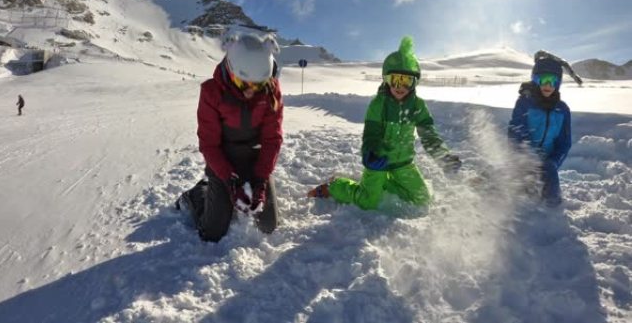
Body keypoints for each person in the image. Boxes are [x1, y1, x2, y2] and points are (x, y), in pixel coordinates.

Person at [309, 36, 461, 210]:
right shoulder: (378, 104)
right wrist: (371, 152)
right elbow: (371, 134)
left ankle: (384, 183)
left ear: (414, 83)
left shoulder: (418, 106)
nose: (400, 86)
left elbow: (429, 136)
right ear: (386, 79)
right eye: (395, 79)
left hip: (403, 163)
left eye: (406, 81)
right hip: (379, 160)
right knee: (367, 201)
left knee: (422, 199)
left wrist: (444, 158)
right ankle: (335, 186)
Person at [178, 33, 283, 242]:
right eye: (244, 84)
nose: (251, 92)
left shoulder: (271, 92)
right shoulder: (212, 92)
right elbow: (209, 145)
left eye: (258, 85)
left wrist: (260, 181)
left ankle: (248, 185)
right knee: (212, 232)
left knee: (268, 224)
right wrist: (229, 180)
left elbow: (272, 139)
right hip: (224, 159)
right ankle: (197, 195)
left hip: (255, 158)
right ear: (230, 70)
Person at [508, 52, 572, 207]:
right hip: (523, 160)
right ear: (535, 80)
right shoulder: (525, 103)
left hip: (547, 165)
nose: (547, 85)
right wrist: (528, 157)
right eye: (543, 80)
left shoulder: (562, 110)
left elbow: (564, 143)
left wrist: (553, 162)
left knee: (551, 195)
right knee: (513, 188)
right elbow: (516, 131)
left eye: (553, 80)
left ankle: (550, 219)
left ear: (558, 83)